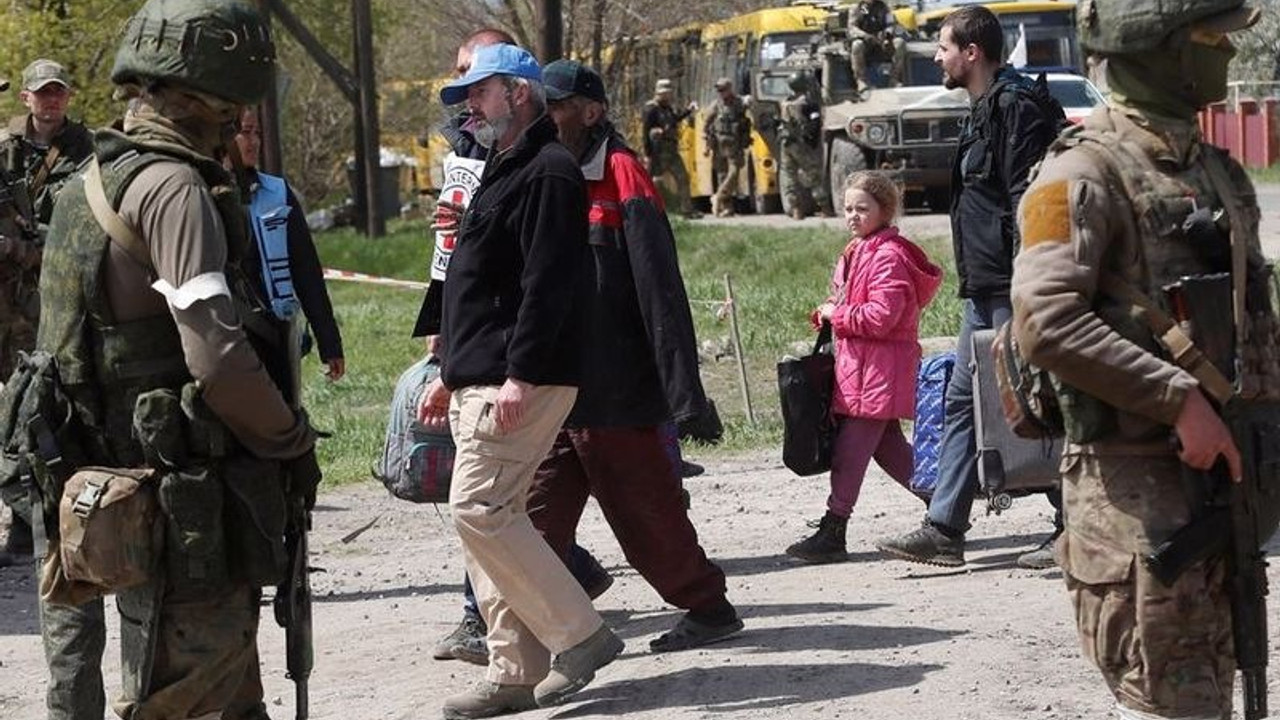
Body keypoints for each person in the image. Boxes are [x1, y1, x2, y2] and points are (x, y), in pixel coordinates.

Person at [32, 2, 320, 719]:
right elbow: (217, 356)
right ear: (216, 97)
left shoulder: (90, 179)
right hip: (179, 494)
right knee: (189, 691)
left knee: (220, 689)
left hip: (109, 486)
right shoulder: (175, 189)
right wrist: (288, 438)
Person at [1011, 2, 1269, 717]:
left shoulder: (1215, 169)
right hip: (1137, 508)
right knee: (1168, 705)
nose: (1223, 53)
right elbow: (1045, 320)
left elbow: (1255, 320)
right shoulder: (1079, 174)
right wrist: (1178, 400)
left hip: (1224, 489)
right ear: (1158, 50)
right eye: (1210, 38)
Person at [417, 44, 623, 718]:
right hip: (483, 374)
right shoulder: (503, 167)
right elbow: (476, 283)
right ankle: (514, 671)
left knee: (480, 510)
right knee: (489, 520)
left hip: (520, 378)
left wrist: (520, 376)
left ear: (519, 93)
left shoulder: (548, 171)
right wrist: (451, 371)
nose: (469, 106)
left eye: (479, 92)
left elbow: (547, 286)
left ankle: (582, 636)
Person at [535, 58, 744, 652]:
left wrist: (684, 394)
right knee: (530, 518)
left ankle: (708, 607)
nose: (546, 116)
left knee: (644, 515)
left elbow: (660, 291)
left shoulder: (623, 174)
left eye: (556, 106)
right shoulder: (546, 174)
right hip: (552, 386)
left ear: (591, 112)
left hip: (615, 389)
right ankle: (529, 630)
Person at [876, 5, 1066, 569]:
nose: (937, 56)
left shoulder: (1016, 109)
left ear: (971, 53)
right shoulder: (983, 108)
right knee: (962, 399)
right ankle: (945, 529)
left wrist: (1033, 284)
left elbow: (1028, 204)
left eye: (942, 46)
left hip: (1015, 286)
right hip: (982, 288)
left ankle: (1073, 526)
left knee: (1037, 399)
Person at [788, 171, 941, 563]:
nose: (852, 216)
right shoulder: (858, 250)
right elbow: (849, 302)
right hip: (861, 370)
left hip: (881, 370)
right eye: (848, 208)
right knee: (889, 450)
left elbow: (881, 317)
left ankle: (834, 529)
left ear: (885, 210)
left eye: (862, 208)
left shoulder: (889, 255)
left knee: (849, 453)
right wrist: (827, 312)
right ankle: (946, 508)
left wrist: (836, 315)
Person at [0, 58, 93, 570]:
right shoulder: (5, 149)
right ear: (26, 99)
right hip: (6, 300)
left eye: (58, 92)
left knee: (45, 408)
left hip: (55, 294)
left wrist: (25, 247)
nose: (50, 100)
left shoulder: (87, 150)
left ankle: (35, 522)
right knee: (9, 413)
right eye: (42, 93)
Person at [231, 106, 345, 381]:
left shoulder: (278, 193)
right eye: (246, 133)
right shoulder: (198, 191)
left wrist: (329, 343)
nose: (254, 141)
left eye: (257, 133)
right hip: (225, 337)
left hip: (274, 334)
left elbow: (306, 270)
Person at [641, 78, 699, 218]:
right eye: (665, 93)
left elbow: (673, 120)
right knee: (654, 182)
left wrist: (688, 111)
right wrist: (647, 154)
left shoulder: (667, 108)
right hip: (657, 152)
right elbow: (646, 131)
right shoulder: (651, 108)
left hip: (671, 151)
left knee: (683, 178)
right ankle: (651, 211)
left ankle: (687, 210)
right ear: (658, 93)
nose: (668, 95)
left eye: (669, 93)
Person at [778, 71, 831, 220]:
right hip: (802, 145)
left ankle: (796, 210)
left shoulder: (784, 102)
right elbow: (814, 124)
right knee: (813, 175)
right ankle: (825, 207)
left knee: (789, 177)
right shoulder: (808, 103)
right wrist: (813, 142)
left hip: (786, 143)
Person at [702, 77, 750, 218]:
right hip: (719, 145)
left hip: (735, 144)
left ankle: (718, 196)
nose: (720, 92)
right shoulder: (716, 105)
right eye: (718, 90)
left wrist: (750, 101)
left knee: (734, 172)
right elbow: (706, 126)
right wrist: (706, 144)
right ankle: (726, 207)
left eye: (723, 89)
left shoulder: (739, 102)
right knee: (722, 176)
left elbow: (749, 109)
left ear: (730, 89)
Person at [848, 0, 907, 88]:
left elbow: (891, 24)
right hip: (866, 42)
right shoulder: (857, 8)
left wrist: (887, 34)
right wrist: (865, 36)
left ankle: (894, 79)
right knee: (857, 45)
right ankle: (861, 81)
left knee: (900, 43)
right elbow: (852, 28)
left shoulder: (884, 8)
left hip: (882, 41)